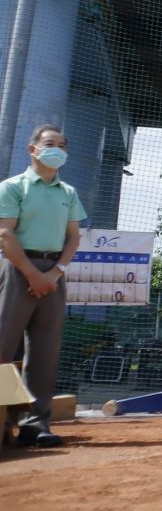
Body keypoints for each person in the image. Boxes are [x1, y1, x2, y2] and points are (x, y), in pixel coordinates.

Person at [0, 124, 87, 448]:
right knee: (2, 346)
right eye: (50, 143)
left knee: (45, 351)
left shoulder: (68, 193)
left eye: (62, 145)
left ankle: (35, 424)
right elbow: (6, 234)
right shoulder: (13, 187)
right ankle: (3, 421)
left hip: (53, 273)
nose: (58, 150)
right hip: (16, 267)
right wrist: (31, 274)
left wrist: (54, 273)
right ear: (32, 149)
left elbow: (74, 236)